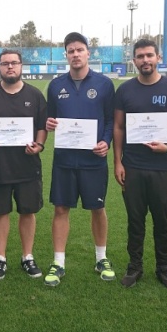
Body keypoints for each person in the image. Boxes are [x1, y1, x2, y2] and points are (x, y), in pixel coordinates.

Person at [113, 38, 167, 289]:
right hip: (133, 167)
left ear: (158, 58)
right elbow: (118, 127)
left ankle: (164, 269)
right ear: (134, 60)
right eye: (140, 56)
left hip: (163, 168)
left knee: (162, 221)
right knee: (135, 221)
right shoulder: (125, 90)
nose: (145, 60)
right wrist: (118, 162)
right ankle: (134, 267)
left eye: (149, 55)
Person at [43, 32, 116, 286]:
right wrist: (49, 123)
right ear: (66, 54)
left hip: (93, 159)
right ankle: (58, 262)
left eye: (79, 50)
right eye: (70, 50)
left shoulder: (105, 84)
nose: (75, 54)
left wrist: (106, 142)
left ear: (88, 53)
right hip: (64, 158)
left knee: (97, 207)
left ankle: (101, 258)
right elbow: (49, 119)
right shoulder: (55, 86)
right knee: (61, 208)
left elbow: (110, 120)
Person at [0, 49, 48, 280]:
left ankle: (27, 256)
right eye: (5, 63)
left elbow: (42, 127)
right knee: (0, 213)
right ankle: (1, 257)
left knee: (27, 212)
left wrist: (38, 145)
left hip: (27, 165)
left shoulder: (36, 95)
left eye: (14, 63)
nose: (10, 67)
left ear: (21, 66)